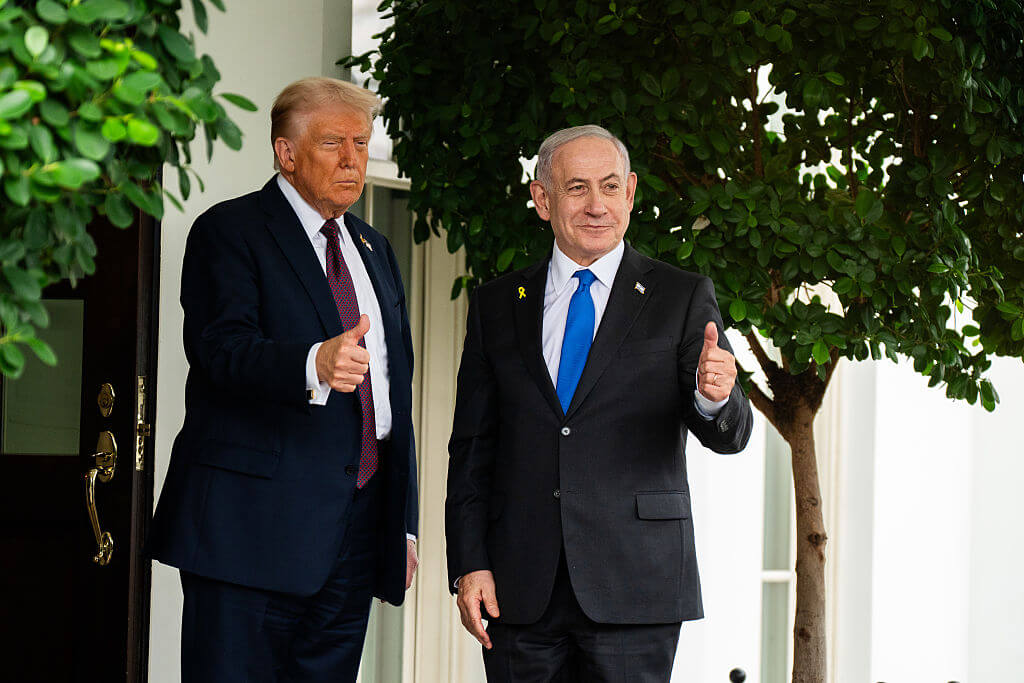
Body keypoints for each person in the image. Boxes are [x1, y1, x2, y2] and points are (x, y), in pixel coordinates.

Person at [446, 125, 753, 682]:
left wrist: (716, 398)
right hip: (519, 589)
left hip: (635, 586)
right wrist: (469, 564)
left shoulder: (680, 296)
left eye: (610, 187)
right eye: (577, 188)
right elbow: (472, 448)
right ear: (542, 200)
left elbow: (730, 434)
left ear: (631, 193)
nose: (597, 206)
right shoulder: (496, 304)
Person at [150, 77, 418, 683]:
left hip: (355, 534)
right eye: (333, 144)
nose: (353, 160)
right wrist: (312, 364)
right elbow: (220, 351)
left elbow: (391, 398)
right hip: (251, 532)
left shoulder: (374, 248)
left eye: (361, 142)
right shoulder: (230, 231)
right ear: (286, 152)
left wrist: (402, 523)